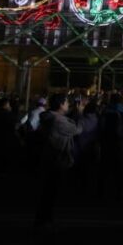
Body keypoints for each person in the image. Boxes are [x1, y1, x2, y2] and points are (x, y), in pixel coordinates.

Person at [34, 93, 84, 226]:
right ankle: (45, 221)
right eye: (67, 102)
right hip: (57, 158)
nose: (68, 104)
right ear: (61, 104)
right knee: (51, 192)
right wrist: (79, 114)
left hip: (49, 158)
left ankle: (43, 219)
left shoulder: (50, 117)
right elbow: (76, 129)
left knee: (47, 191)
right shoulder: (58, 121)